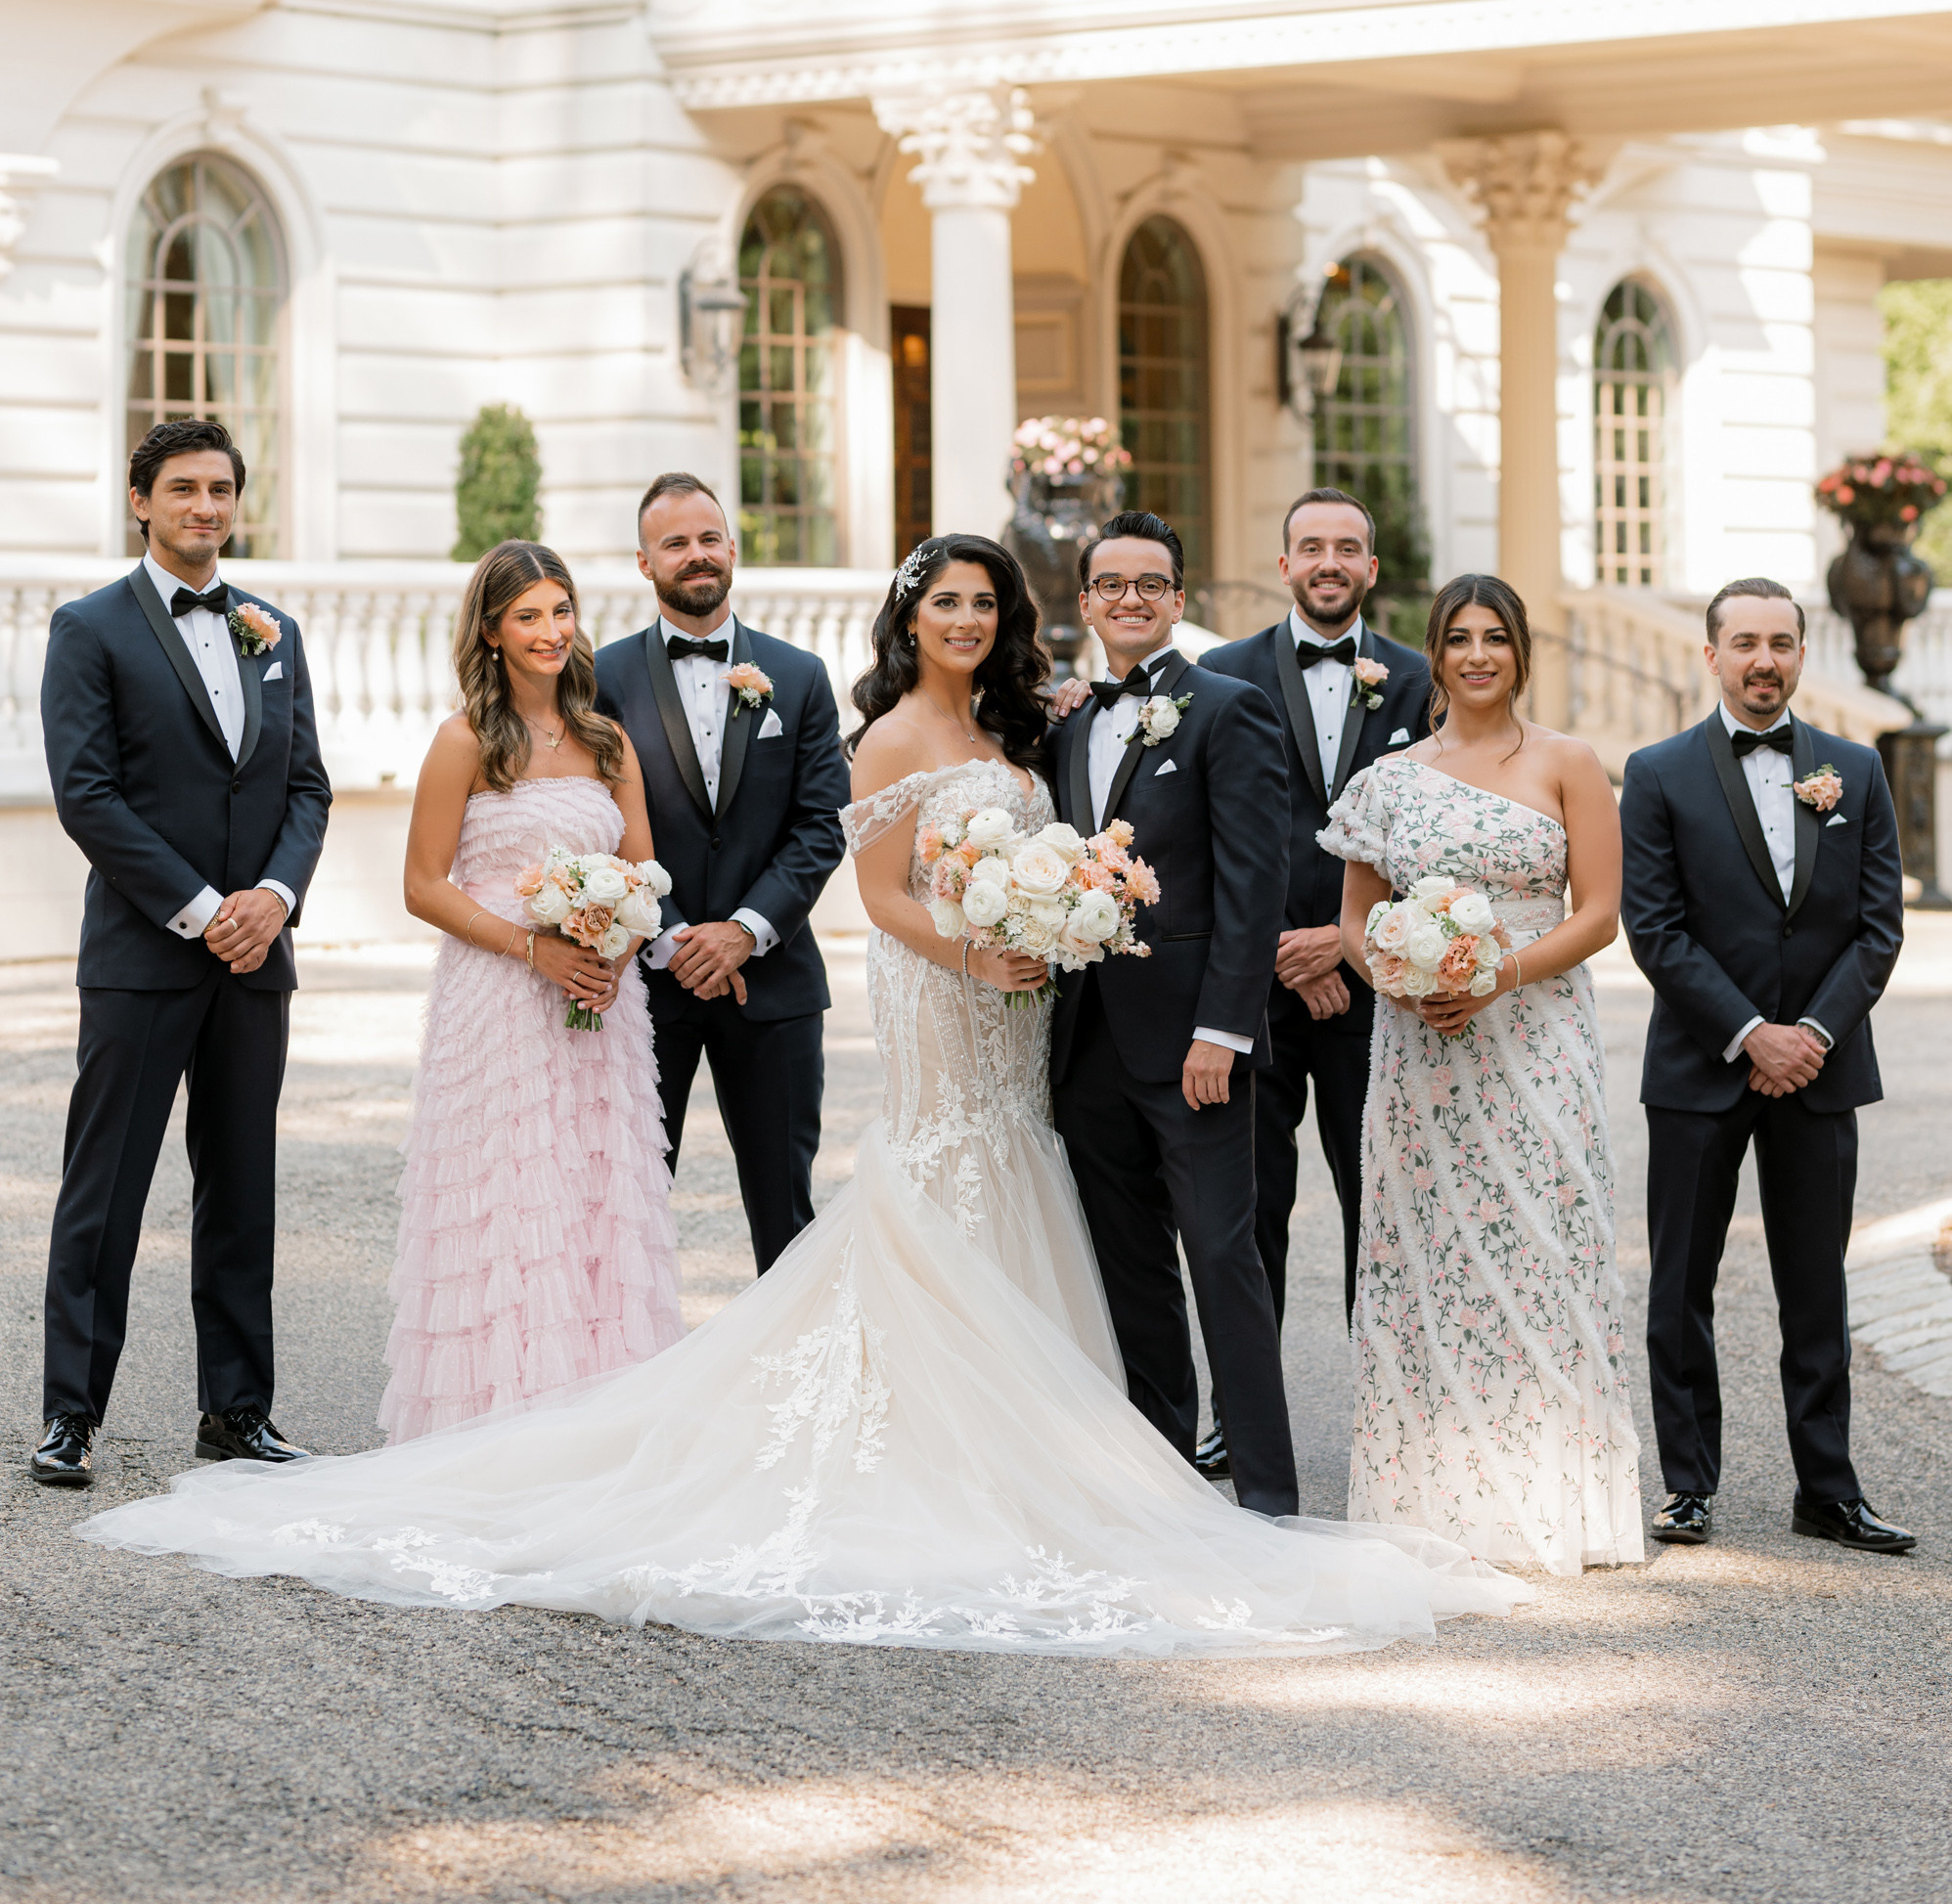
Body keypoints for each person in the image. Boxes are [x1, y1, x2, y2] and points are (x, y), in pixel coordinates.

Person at [79, 534, 1526, 1655]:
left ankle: (1128, 1464)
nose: (963, 624)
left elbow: (1100, 855)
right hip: (957, 1008)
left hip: (1038, 1032)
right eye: (942, 606)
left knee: (1098, 1235)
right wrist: (989, 947)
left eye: (982, 606)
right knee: (949, 1214)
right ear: (910, 623)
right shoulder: (890, 735)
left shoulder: (1044, 734)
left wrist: (1051, 927)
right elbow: (882, 892)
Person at [31, 417, 333, 1488]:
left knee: (242, 1187)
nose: (207, 506)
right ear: (142, 500)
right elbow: (88, 795)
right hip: (143, 955)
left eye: (221, 489)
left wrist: (274, 901)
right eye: (185, 488)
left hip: (257, 958)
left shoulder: (275, 631)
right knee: (104, 1189)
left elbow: (306, 785)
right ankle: (71, 1415)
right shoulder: (89, 628)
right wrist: (205, 907)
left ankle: (238, 1412)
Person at [1324, 573, 1643, 1574]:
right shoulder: (1389, 778)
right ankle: (1430, 1494)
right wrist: (1401, 979)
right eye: (1457, 638)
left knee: (1542, 1245)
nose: (1475, 656)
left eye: (1493, 638)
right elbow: (1352, 916)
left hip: (1537, 1038)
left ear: (1519, 652)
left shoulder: (1568, 762)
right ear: (1434, 652)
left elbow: (1597, 913)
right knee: (1429, 1259)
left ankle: (1553, 1493)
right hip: (1420, 1049)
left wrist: (1496, 973)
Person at [1619, 578, 1912, 1555]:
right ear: (1709, 656)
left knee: (1815, 1285)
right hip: (1701, 1067)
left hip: (1820, 1069)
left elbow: (1877, 931)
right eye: (1744, 641)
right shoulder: (1656, 773)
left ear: (1799, 655)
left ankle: (1827, 1490)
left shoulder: (1854, 772)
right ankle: (1688, 1486)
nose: (1763, 659)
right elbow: (1654, 932)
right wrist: (1752, 1033)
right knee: (1679, 1287)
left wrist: (1811, 1037)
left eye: (1781, 643)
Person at [379, 540, 685, 1439]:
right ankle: (495, 1420)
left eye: (561, 611)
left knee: (596, 1192)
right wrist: (532, 948)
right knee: (511, 1197)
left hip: (602, 998)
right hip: (498, 1005)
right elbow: (423, 885)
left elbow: (644, 873)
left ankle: (603, 1419)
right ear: (492, 630)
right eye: (529, 616)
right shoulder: (464, 741)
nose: (551, 632)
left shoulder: (606, 739)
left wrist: (615, 946)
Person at [1046, 512, 1301, 1520]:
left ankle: (1268, 1491)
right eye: (1111, 585)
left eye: (1150, 584)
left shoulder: (1227, 709)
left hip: (1192, 1040)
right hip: (1085, 1040)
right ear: (1085, 602)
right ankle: (1160, 1475)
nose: (1130, 600)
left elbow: (1255, 882)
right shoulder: (1067, 719)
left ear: (1179, 599)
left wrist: (1223, 1032)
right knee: (1130, 1265)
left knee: (1223, 1258)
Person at [1198, 487, 1430, 1482]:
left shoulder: (1424, 680)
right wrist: (1277, 958)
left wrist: (1343, 944)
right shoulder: (1218, 673)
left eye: (1347, 548)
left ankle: (1390, 1420)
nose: (1328, 561)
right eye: (1310, 546)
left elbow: (1439, 838)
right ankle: (1239, 1421)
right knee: (1246, 1217)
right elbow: (1200, 843)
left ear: (1370, 570)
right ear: (1283, 562)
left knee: (1380, 1206)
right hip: (1250, 995)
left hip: (1375, 996)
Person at [593, 473, 849, 1273]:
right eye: (675, 543)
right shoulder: (598, 678)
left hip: (770, 986)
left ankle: (793, 1385)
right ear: (644, 563)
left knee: (785, 1207)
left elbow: (820, 824)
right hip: (643, 984)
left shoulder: (800, 675)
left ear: (732, 549)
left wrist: (744, 931)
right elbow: (590, 825)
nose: (696, 555)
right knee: (628, 1201)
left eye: (709, 538)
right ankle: (628, 1379)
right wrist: (668, 939)